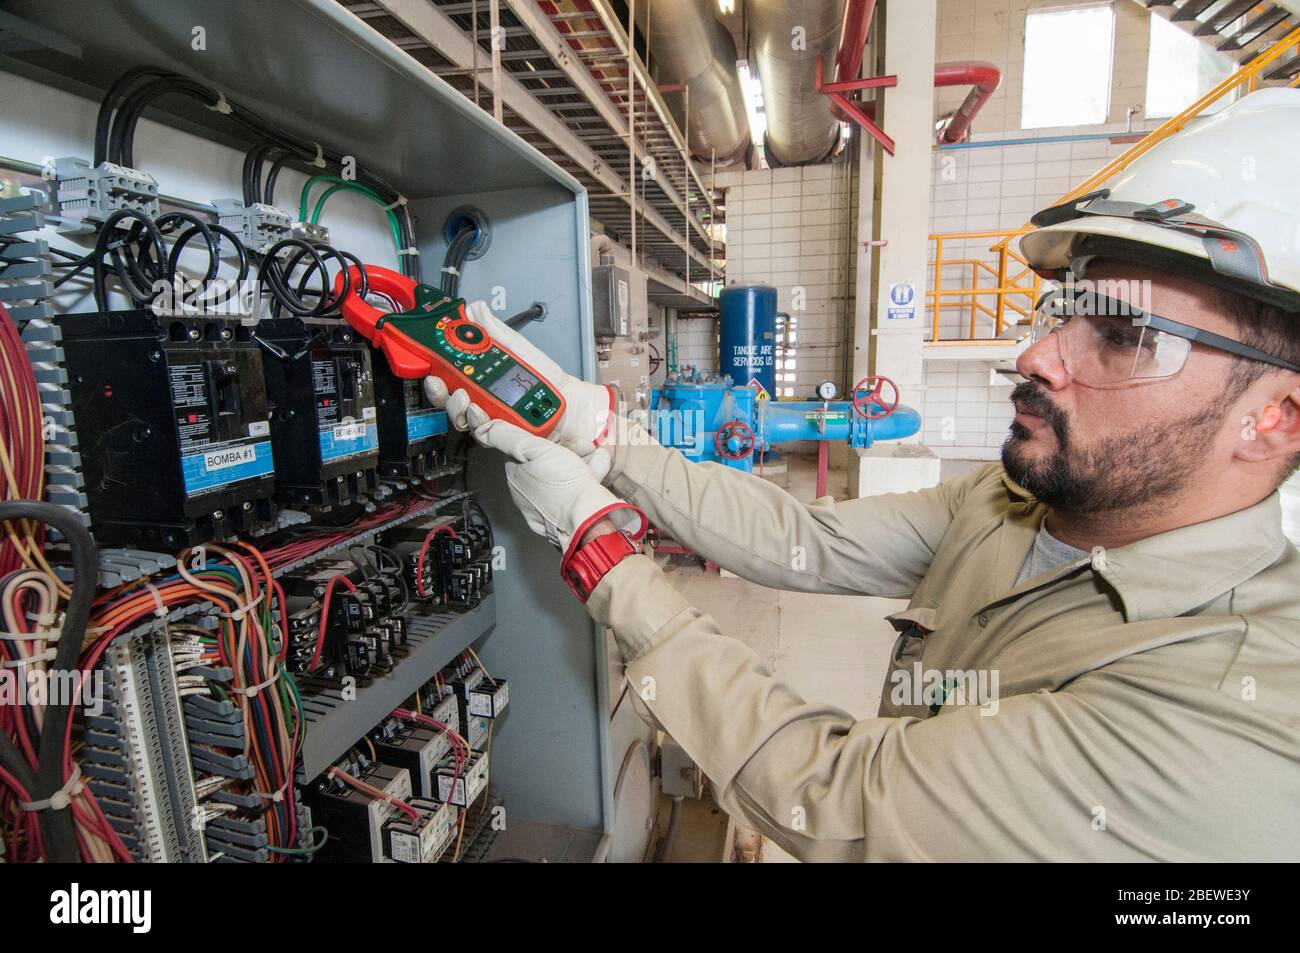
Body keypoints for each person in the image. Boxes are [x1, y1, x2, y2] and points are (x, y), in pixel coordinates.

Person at [427, 89, 1300, 861]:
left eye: (1124, 334)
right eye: (1061, 312)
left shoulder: (1228, 717)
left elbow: (841, 795)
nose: (1033, 356)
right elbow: (804, 538)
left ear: (1277, 417)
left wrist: (596, 549)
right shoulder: (1018, 504)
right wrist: (601, 430)